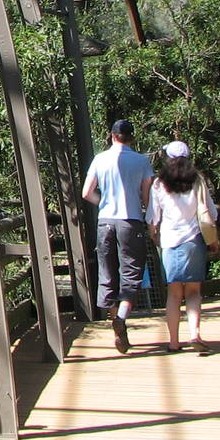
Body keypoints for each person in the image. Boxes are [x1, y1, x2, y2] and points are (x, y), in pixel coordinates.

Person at [81, 119, 154, 353]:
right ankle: (121, 317)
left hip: (105, 222)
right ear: (131, 138)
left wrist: (104, 203)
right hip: (130, 220)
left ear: (112, 136)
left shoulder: (100, 159)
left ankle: (116, 326)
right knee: (131, 274)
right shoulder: (142, 161)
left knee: (107, 272)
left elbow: (86, 192)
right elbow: (146, 198)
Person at [148, 140, 216, 353]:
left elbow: (152, 217)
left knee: (174, 293)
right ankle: (194, 334)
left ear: (167, 157)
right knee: (194, 291)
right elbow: (210, 213)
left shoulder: (159, 183)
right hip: (193, 240)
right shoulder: (197, 180)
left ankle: (174, 342)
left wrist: (155, 237)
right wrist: (213, 238)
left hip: (169, 241)